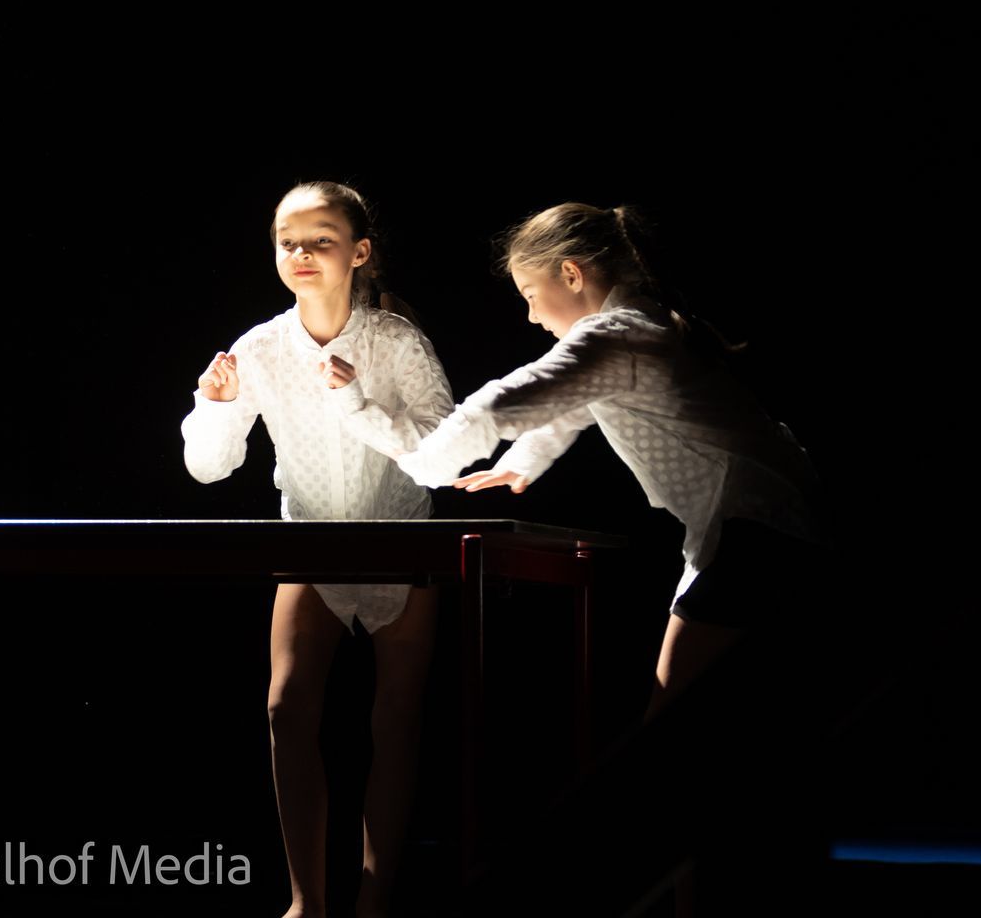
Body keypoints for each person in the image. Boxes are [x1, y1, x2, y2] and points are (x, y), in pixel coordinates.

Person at [399, 201, 827, 722]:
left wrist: (421, 467)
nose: (532, 316)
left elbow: (497, 405)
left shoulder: (616, 334)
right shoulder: (641, 324)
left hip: (757, 530)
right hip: (764, 524)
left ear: (571, 274)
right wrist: (525, 459)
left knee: (671, 718)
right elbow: (575, 404)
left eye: (530, 295)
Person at [182, 181, 454, 918]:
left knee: (395, 721)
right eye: (288, 242)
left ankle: (375, 899)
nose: (301, 253)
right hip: (310, 542)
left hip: (401, 543)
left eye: (321, 240)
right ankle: (307, 902)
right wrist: (213, 409)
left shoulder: (396, 342)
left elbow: (444, 455)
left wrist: (355, 404)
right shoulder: (259, 348)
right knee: (287, 709)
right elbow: (208, 468)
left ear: (358, 252)